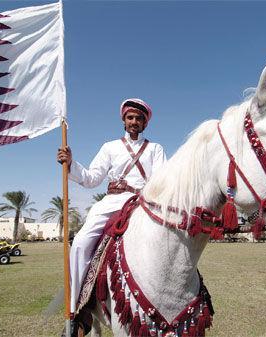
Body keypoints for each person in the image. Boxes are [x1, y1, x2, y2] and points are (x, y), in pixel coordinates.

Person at [57, 98, 166, 336]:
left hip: (142, 202)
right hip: (112, 202)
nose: (134, 122)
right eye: (130, 117)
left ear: (145, 123)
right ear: (124, 120)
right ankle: (77, 309)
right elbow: (92, 178)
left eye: (139, 118)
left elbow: (161, 182)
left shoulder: (156, 149)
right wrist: (71, 163)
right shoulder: (109, 147)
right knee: (80, 244)